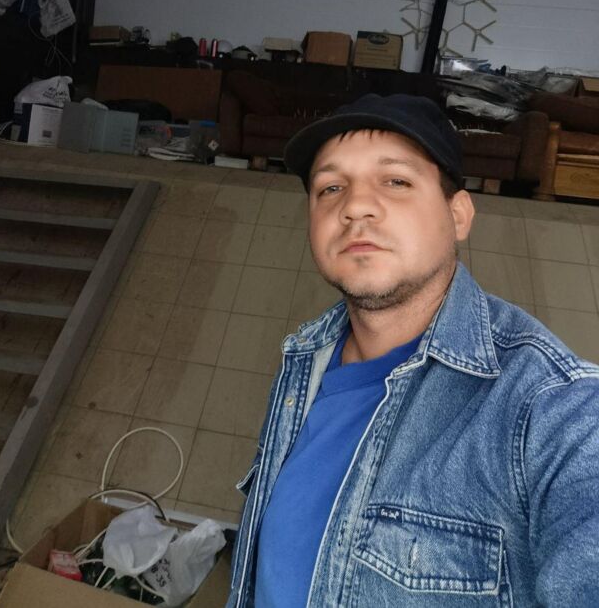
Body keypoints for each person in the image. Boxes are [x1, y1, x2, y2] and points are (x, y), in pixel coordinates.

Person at [226, 93, 599, 608]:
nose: (354, 206)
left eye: (396, 181)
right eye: (330, 187)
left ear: (458, 214)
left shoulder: (555, 410)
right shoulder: (305, 362)